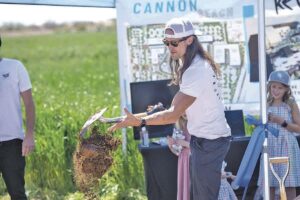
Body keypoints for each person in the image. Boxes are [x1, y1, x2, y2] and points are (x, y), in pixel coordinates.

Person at [109, 17, 231, 199]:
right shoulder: (191, 64)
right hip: (204, 140)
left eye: (174, 43)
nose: (170, 47)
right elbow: (175, 109)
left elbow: (173, 114)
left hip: (210, 142)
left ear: (189, 40)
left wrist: (141, 121)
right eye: (166, 43)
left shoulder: (196, 70)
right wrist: (136, 117)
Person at [0, 35, 35, 200]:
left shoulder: (14, 67)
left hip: (12, 144)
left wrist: (29, 136)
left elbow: (29, 104)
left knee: (17, 194)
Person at [256, 70, 300, 200]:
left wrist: (282, 122)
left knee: (288, 183)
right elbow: (262, 126)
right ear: (269, 86)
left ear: (286, 89)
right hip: (270, 145)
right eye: (274, 86)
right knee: (269, 182)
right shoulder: (266, 103)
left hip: (286, 146)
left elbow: (299, 128)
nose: (276, 90)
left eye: (280, 88)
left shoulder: (290, 104)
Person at [167, 115, 190, 200]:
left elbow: (202, 147)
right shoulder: (179, 127)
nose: (185, 113)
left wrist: (185, 143)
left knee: (192, 187)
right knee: (185, 187)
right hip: (183, 162)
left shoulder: (197, 125)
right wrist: (171, 145)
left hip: (194, 161)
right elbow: (177, 152)